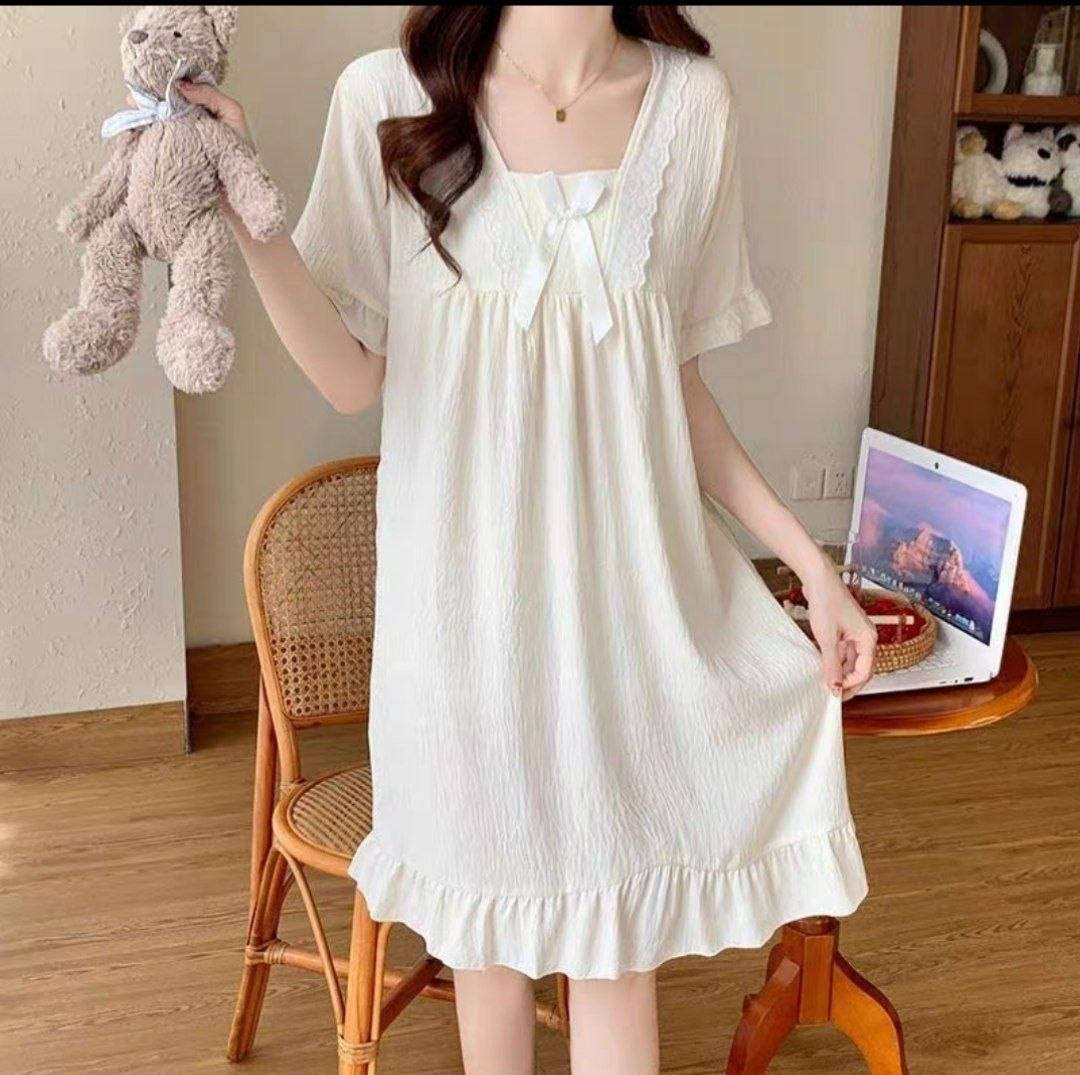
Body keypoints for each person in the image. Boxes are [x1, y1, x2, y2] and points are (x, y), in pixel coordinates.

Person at [180, 7, 875, 1072]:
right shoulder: (388, 97)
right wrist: (249, 216)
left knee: (616, 941)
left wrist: (811, 564)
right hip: (461, 621)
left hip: (630, 612)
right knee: (487, 943)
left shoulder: (692, 106)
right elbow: (351, 376)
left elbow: (676, 386)